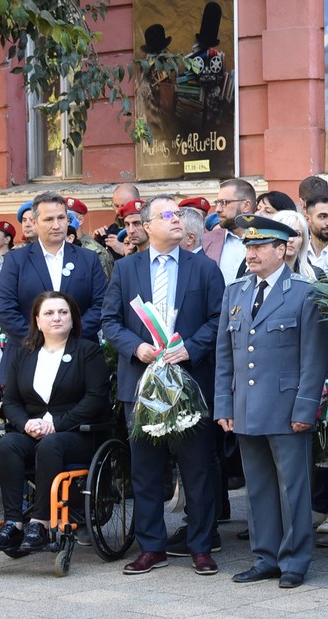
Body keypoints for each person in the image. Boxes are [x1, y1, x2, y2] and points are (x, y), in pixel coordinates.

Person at [102, 195, 226, 577]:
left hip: (190, 380)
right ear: (147, 226)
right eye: (167, 215)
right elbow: (110, 322)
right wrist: (136, 347)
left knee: (198, 469)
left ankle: (201, 546)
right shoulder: (126, 270)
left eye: (178, 215)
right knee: (146, 468)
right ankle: (151, 546)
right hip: (141, 383)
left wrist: (189, 348)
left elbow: (218, 319)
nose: (177, 220)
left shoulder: (203, 268)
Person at [214, 214, 328, 589]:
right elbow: (225, 355)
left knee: (293, 487)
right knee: (259, 486)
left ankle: (295, 559)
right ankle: (265, 557)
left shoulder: (304, 292)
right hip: (246, 405)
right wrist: (224, 406)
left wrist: (305, 407)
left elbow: (314, 357)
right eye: (248, 246)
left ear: (282, 250)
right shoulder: (236, 291)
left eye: (260, 246)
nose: (252, 253)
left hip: (286, 406)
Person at [0, 292, 110, 552]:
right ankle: (14, 523)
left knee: (50, 444)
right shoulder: (23, 354)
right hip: (34, 431)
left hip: (77, 433)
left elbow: (96, 398)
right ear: (37, 321)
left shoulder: (87, 351)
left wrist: (58, 423)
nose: (57, 318)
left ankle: (39, 522)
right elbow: (11, 402)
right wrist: (25, 424)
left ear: (73, 319)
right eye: (49, 313)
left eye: (63, 312)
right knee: (9, 443)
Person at [0, 192, 107, 378]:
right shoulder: (16, 260)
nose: (57, 225)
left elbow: (101, 304)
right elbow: (4, 308)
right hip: (28, 355)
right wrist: (40, 339)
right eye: (48, 219)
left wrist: (70, 336)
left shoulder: (88, 259)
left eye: (61, 218)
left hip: (79, 354)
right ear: (35, 223)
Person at [204, 178, 257, 282]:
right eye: (217, 202)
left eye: (224, 203)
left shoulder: (268, 240)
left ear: (246, 206)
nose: (217, 209)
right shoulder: (206, 241)